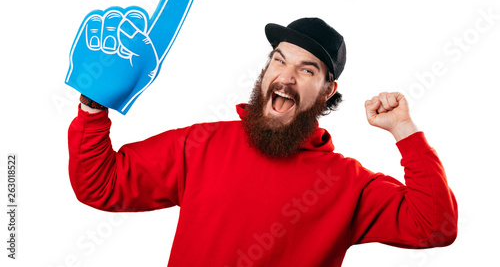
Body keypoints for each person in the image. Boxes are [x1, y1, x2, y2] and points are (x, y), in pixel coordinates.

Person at [68, 17, 458, 267]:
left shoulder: (348, 184)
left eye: (306, 70)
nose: (286, 77)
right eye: (279, 60)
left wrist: (405, 131)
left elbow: (436, 225)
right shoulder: (202, 144)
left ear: (327, 91)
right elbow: (100, 185)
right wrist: (93, 103)